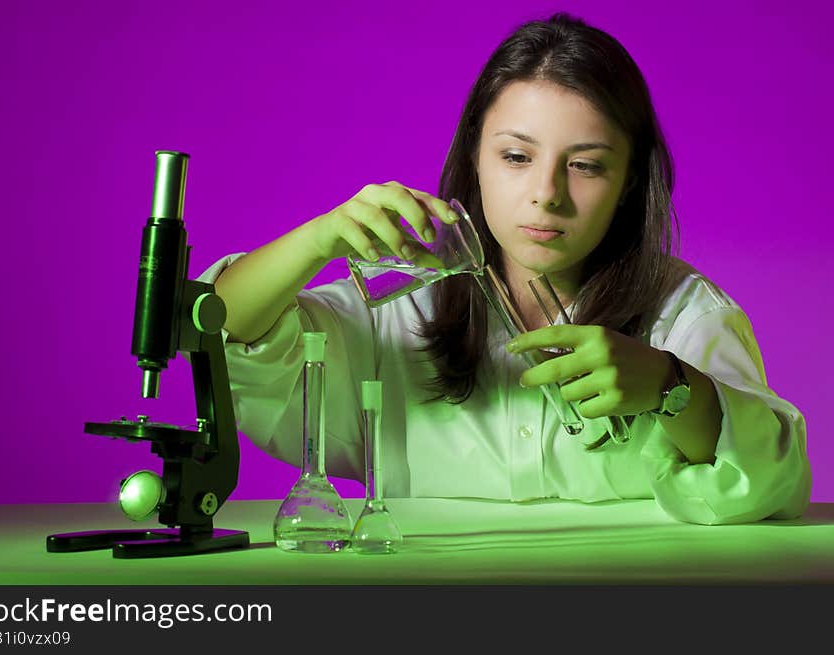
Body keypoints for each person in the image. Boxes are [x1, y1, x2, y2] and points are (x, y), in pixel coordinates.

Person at [200, 13, 811, 525]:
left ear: (629, 182)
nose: (546, 194)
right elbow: (225, 332)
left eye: (587, 165)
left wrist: (668, 384)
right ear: (476, 158)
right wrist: (317, 239)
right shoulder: (404, 306)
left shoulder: (685, 315)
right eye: (516, 156)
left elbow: (774, 480)